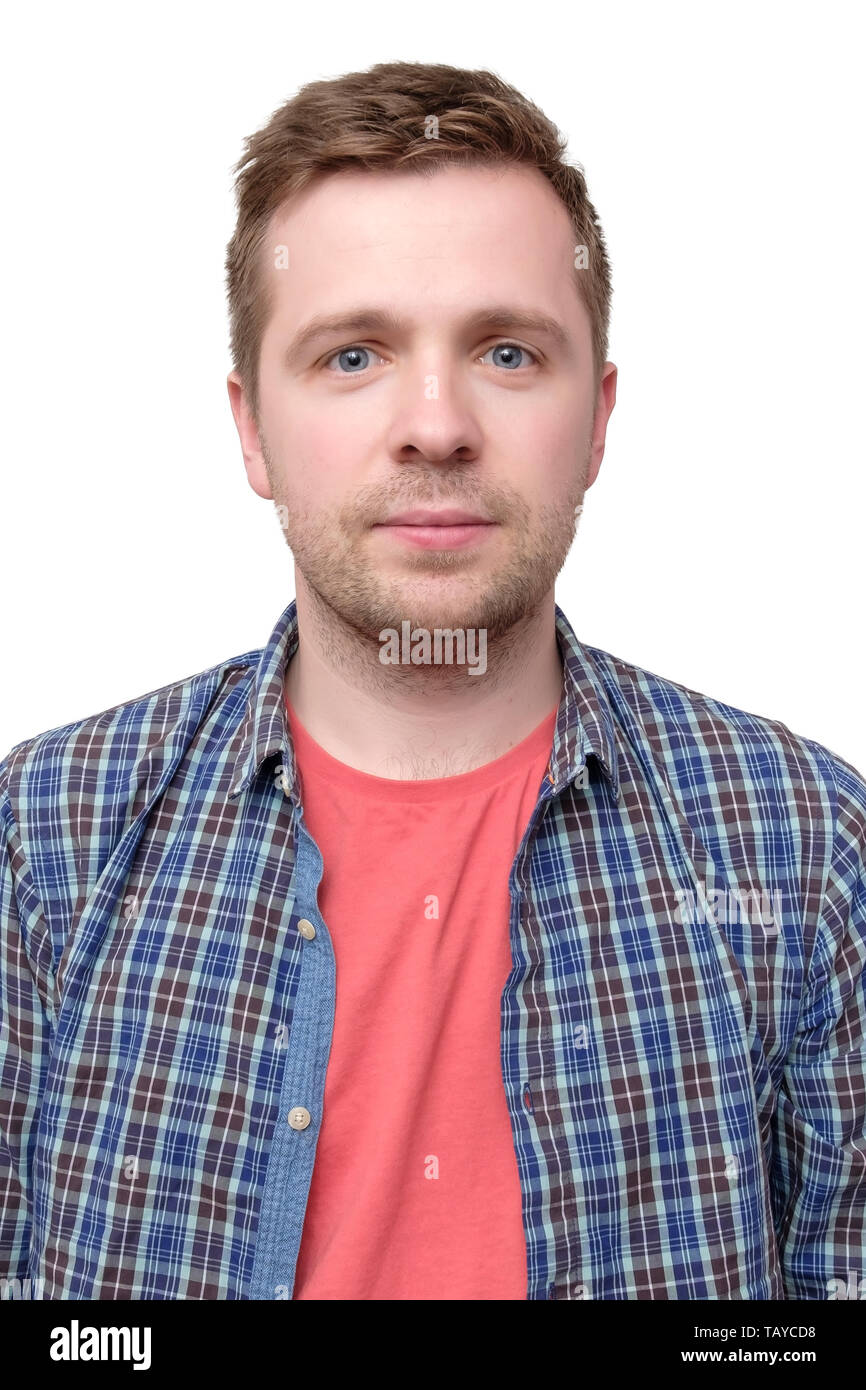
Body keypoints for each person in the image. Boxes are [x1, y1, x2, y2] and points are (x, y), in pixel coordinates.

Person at [2, 60, 864, 1302]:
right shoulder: (41, 843)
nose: (435, 423)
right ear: (249, 428)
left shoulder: (804, 846)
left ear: (598, 418)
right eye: (352, 355)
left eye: (507, 352)